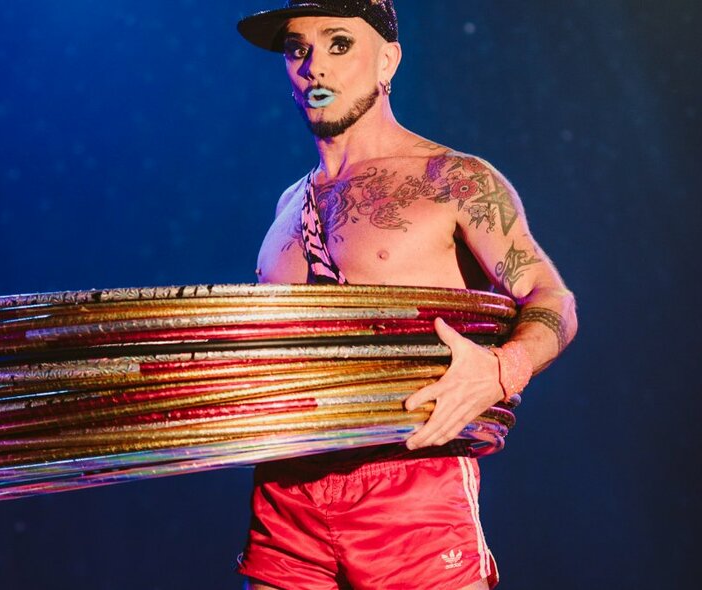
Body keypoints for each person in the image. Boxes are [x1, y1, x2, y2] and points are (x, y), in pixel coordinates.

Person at [234, 1, 578, 589]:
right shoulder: (288, 207)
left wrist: (502, 370)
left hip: (410, 480)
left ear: (387, 60)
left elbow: (553, 297)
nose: (315, 66)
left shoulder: (453, 179)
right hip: (286, 492)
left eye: (339, 44)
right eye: (299, 48)